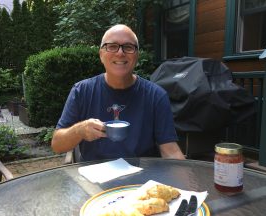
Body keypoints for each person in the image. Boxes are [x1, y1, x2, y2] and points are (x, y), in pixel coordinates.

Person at [51, 24, 185, 161]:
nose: (120, 53)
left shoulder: (156, 96)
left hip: (142, 178)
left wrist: (189, 181)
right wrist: (79, 130)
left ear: (137, 55)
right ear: (101, 54)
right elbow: (57, 145)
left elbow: (170, 151)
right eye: (112, 46)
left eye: (128, 47)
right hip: (94, 178)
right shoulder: (81, 91)